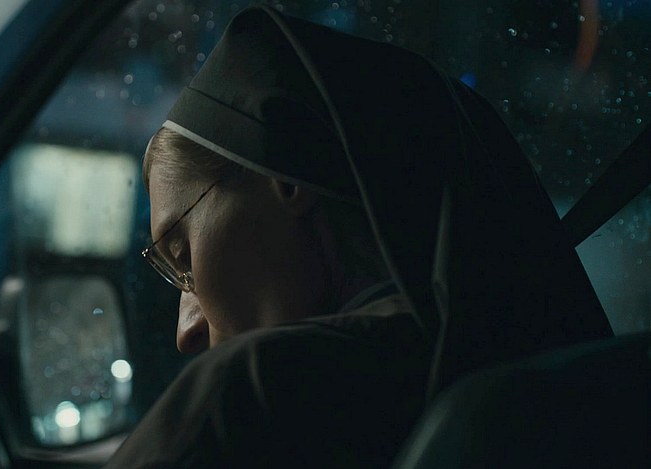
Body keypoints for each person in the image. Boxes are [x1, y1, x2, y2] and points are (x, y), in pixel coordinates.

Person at [105, 5, 612, 468]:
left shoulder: (248, 394)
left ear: (285, 179)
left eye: (183, 256)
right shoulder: (568, 381)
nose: (186, 332)